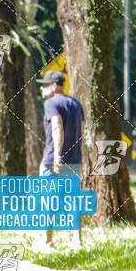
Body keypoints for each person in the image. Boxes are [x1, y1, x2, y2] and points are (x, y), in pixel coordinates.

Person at [36, 70, 84, 247]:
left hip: (53, 161)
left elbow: (57, 127)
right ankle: (77, 242)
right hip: (75, 160)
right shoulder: (76, 104)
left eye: (45, 85)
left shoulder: (51, 103)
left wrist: (57, 156)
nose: (42, 89)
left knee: (48, 200)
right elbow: (82, 131)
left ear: (54, 86)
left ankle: (48, 242)